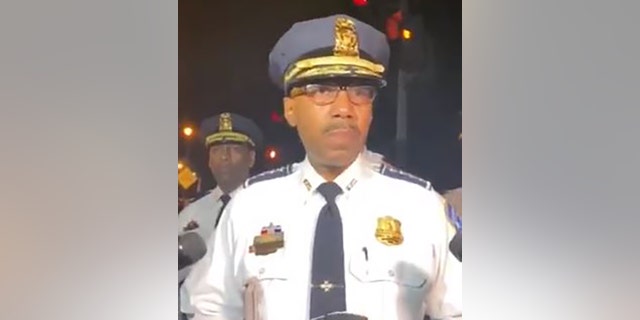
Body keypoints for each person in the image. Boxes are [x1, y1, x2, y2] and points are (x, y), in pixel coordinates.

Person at [189, 14, 462, 320]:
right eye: (321, 90)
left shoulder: (421, 207)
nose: (344, 108)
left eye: (360, 92)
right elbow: (213, 311)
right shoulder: (249, 207)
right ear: (290, 110)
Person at [178, 112, 264, 319]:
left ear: (251, 158)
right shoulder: (191, 212)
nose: (224, 156)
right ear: (209, 161)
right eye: (217, 150)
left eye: (234, 149)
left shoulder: (266, 207)